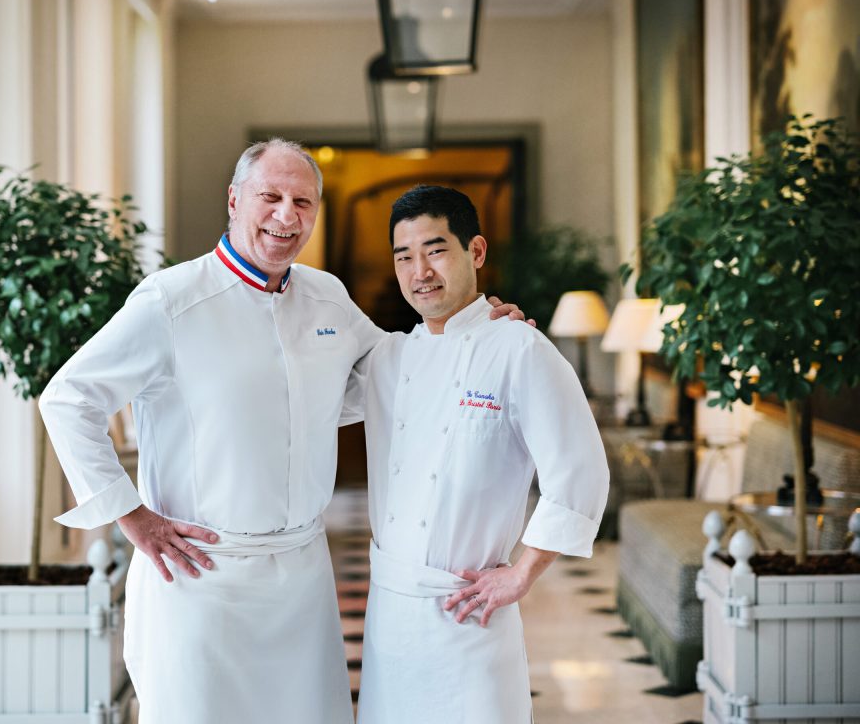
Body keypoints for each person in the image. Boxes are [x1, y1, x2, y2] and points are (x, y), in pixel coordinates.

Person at [39, 140, 526, 724]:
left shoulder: (326, 296)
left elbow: (400, 373)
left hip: (301, 579)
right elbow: (69, 398)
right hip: (199, 580)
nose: (286, 215)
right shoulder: (171, 299)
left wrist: (478, 330)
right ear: (234, 201)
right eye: (270, 196)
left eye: (303, 202)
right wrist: (132, 517)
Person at [351, 185, 610, 723]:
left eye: (436, 250)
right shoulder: (385, 359)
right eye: (404, 257)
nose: (420, 272)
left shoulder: (520, 348)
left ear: (476, 251)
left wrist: (523, 573)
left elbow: (580, 472)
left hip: (470, 614)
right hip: (390, 619)